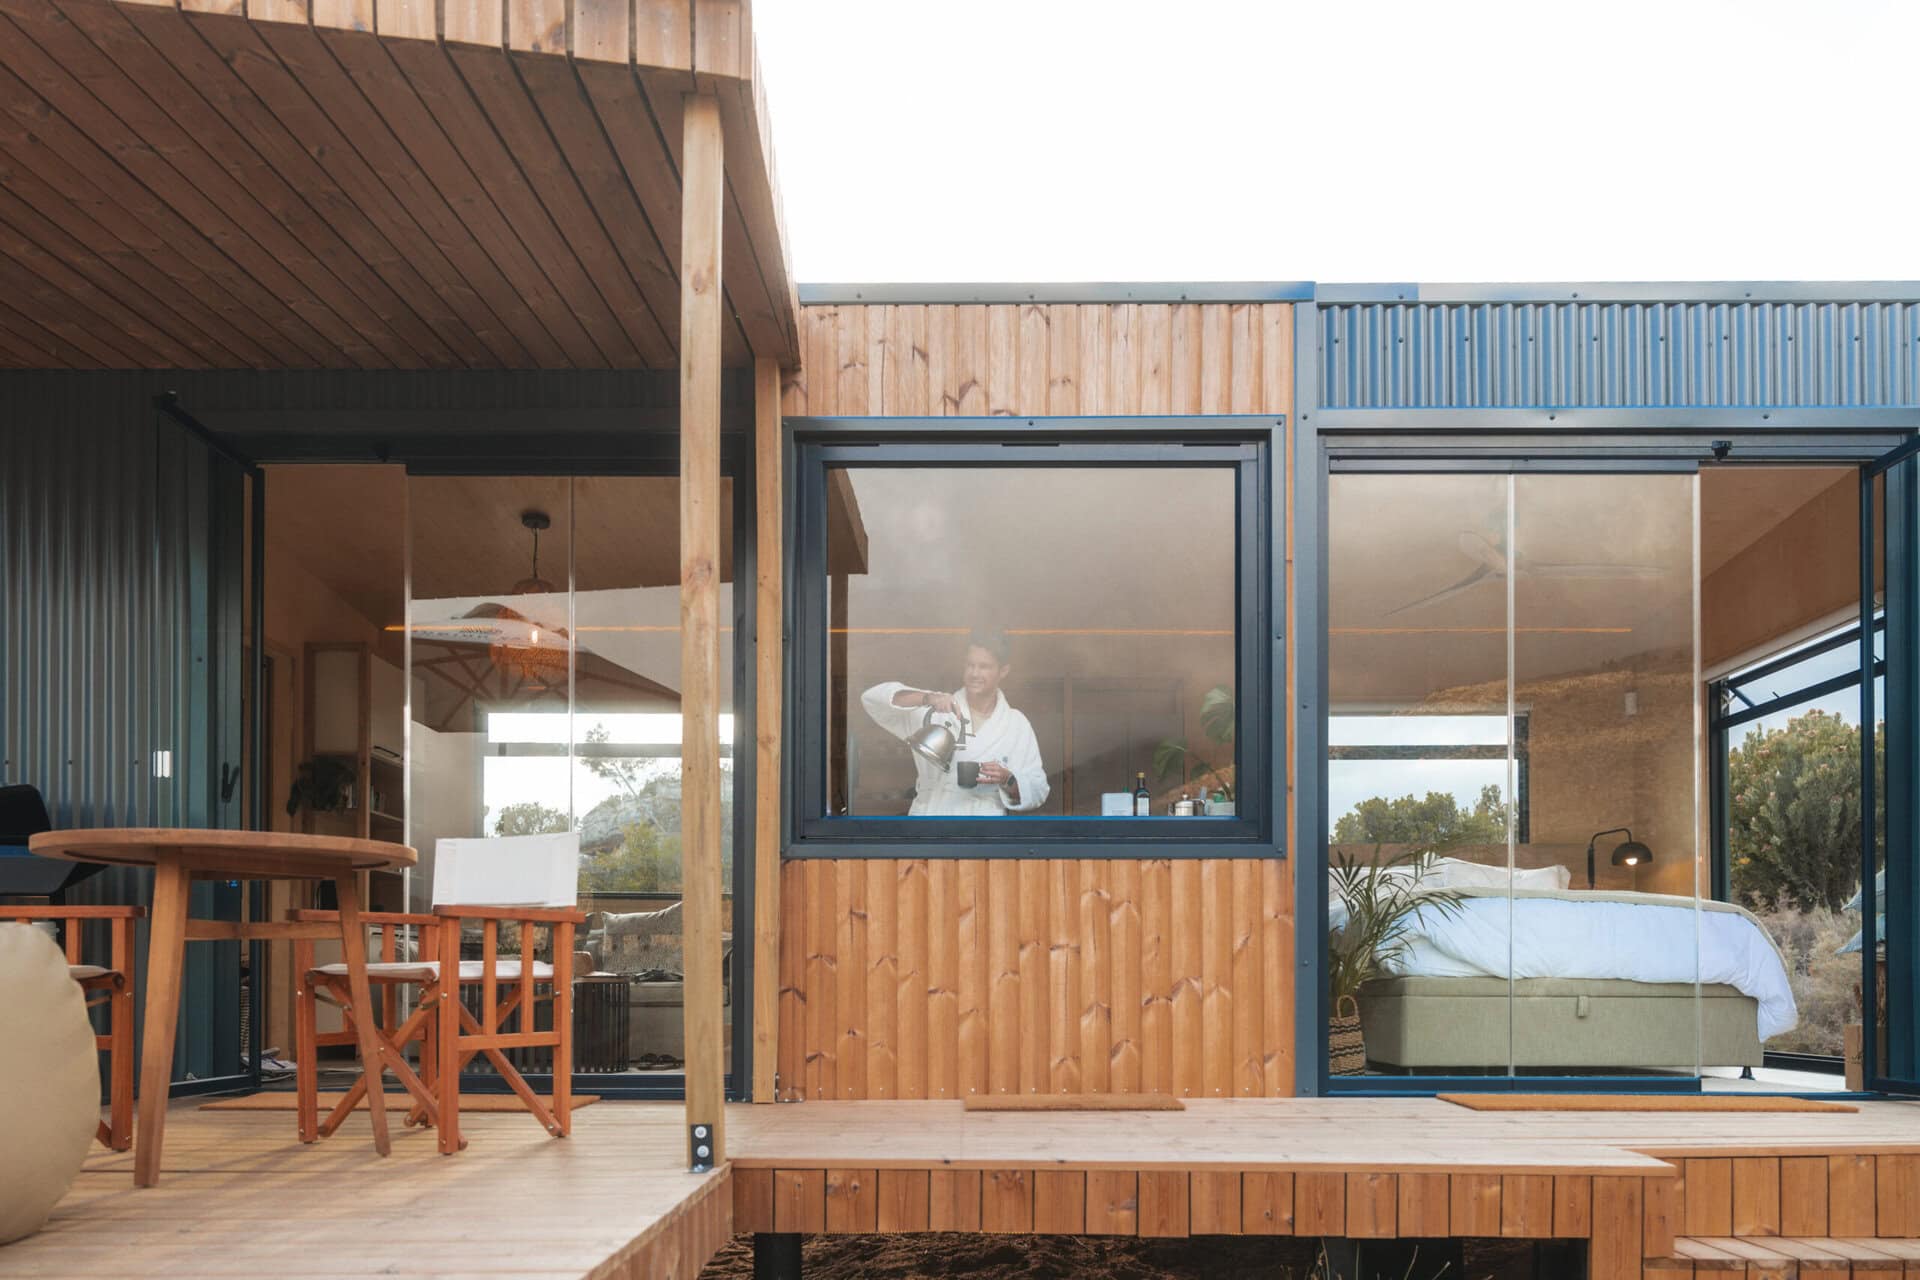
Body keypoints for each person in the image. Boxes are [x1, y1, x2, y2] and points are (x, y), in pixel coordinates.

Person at [861, 628, 1049, 816]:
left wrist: (1008, 779)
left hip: (984, 823)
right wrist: (927, 698)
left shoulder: (1016, 724)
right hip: (930, 817)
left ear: (1003, 671)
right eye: (970, 665)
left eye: (984, 666)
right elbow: (871, 700)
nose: (974, 673)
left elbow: (1038, 789)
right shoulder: (936, 710)